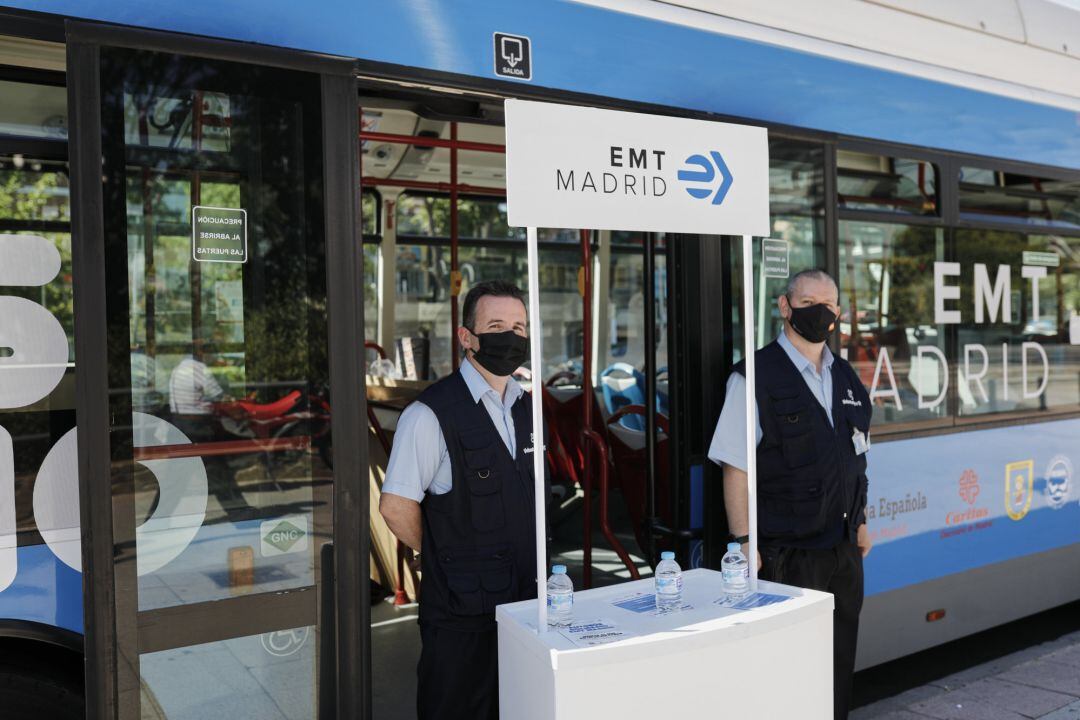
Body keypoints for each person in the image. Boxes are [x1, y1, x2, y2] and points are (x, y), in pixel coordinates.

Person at [708, 269, 872, 720]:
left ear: (838, 313)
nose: (819, 312)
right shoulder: (754, 378)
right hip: (787, 555)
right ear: (784, 307)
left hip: (842, 552)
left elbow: (856, 457)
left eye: (828, 304)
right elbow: (735, 466)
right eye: (807, 302)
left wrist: (860, 520)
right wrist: (745, 541)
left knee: (838, 667)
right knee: (789, 673)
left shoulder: (846, 377)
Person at [379, 280, 544, 720]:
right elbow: (395, 507)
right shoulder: (429, 414)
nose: (510, 337)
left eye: (519, 327)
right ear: (466, 337)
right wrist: (443, 553)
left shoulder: (529, 409)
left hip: (528, 610)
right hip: (460, 616)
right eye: (495, 325)